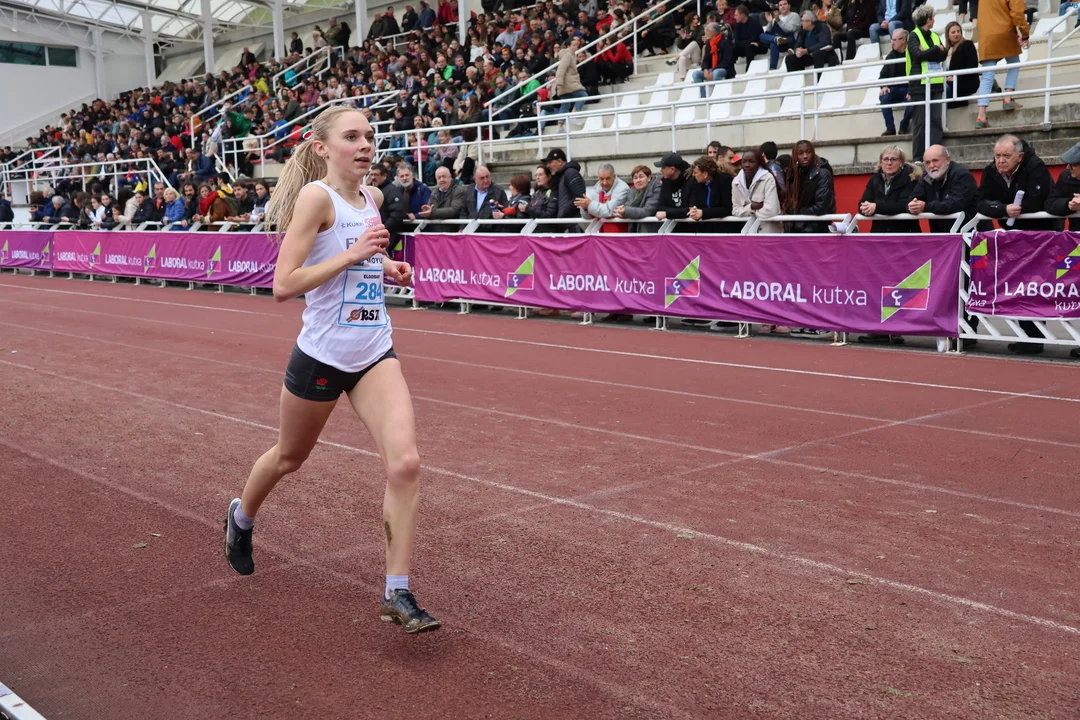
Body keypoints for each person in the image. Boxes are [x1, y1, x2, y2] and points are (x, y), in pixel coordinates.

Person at [223, 106, 440, 635]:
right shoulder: (315, 198)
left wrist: (386, 266)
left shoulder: (374, 198)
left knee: (406, 464)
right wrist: (355, 254)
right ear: (323, 147)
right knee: (290, 457)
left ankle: (397, 592)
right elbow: (284, 284)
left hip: (374, 350)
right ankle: (241, 517)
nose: (365, 145)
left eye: (370, 136)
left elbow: (358, 253)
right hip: (322, 355)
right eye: (352, 137)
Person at [973, 0, 1030, 129]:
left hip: (986, 36)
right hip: (1005, 33)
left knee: (987, 75)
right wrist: (1025, 34)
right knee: (1014, 63)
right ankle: (1008, 98)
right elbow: (1017, 14)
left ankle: (981, 115)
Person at [906, 4, 946, 162]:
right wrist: (936, 49)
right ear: (927, 19)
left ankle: (936, 155)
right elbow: (917, 55)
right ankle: (918, 157)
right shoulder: (913, 35)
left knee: (935, 121)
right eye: (932, 17)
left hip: (935, 84)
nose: (934, 20)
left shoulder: (934, 35)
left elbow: (943, 55)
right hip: (919, 85)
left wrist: (929, 51)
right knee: (920, 122)